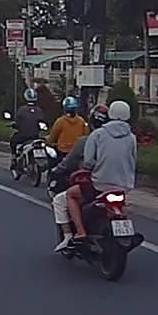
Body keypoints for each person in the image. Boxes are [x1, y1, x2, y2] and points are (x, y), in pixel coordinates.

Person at [57, 100, 137, 251]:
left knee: (70, 195)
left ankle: (80, 232)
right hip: (124, 185)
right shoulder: (131, 137)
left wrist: (91, 169)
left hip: (100, 184)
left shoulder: (98, 134)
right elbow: (133, 159)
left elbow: (88, 162)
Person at [51, 104, 107, 250]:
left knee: (62, 199)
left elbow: (75, 162)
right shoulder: (122, 139)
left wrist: (57, 170)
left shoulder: (86, 140)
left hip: (95, 183)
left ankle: (74, 234)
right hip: (121, 183)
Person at [9, 88, 46, 165]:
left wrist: (14, 125)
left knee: (13, 141)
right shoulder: (39, 110)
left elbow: (17, 123)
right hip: (35, 136)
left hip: (23, 136)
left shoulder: (21, 110)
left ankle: (14, 157)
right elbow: (42, 123)